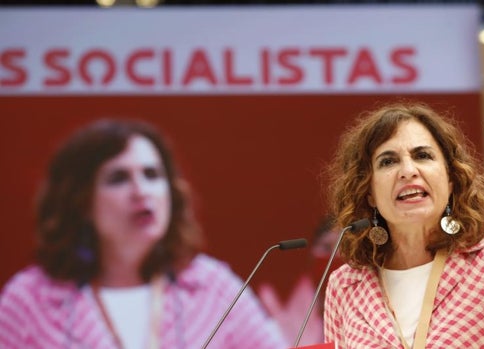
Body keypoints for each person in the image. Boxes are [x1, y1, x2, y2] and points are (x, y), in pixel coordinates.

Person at [0, 118, 288, 349]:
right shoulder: (29, 299)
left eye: (152, 175)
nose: (141, 192)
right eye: (118, 178)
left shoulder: (213, 286)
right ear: (80, 202)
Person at [323, 102, 484, 348]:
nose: (408, 171)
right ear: (368, 192)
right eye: (388, 162)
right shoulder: (345, 285)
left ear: (451, 178)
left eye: (422, 156)